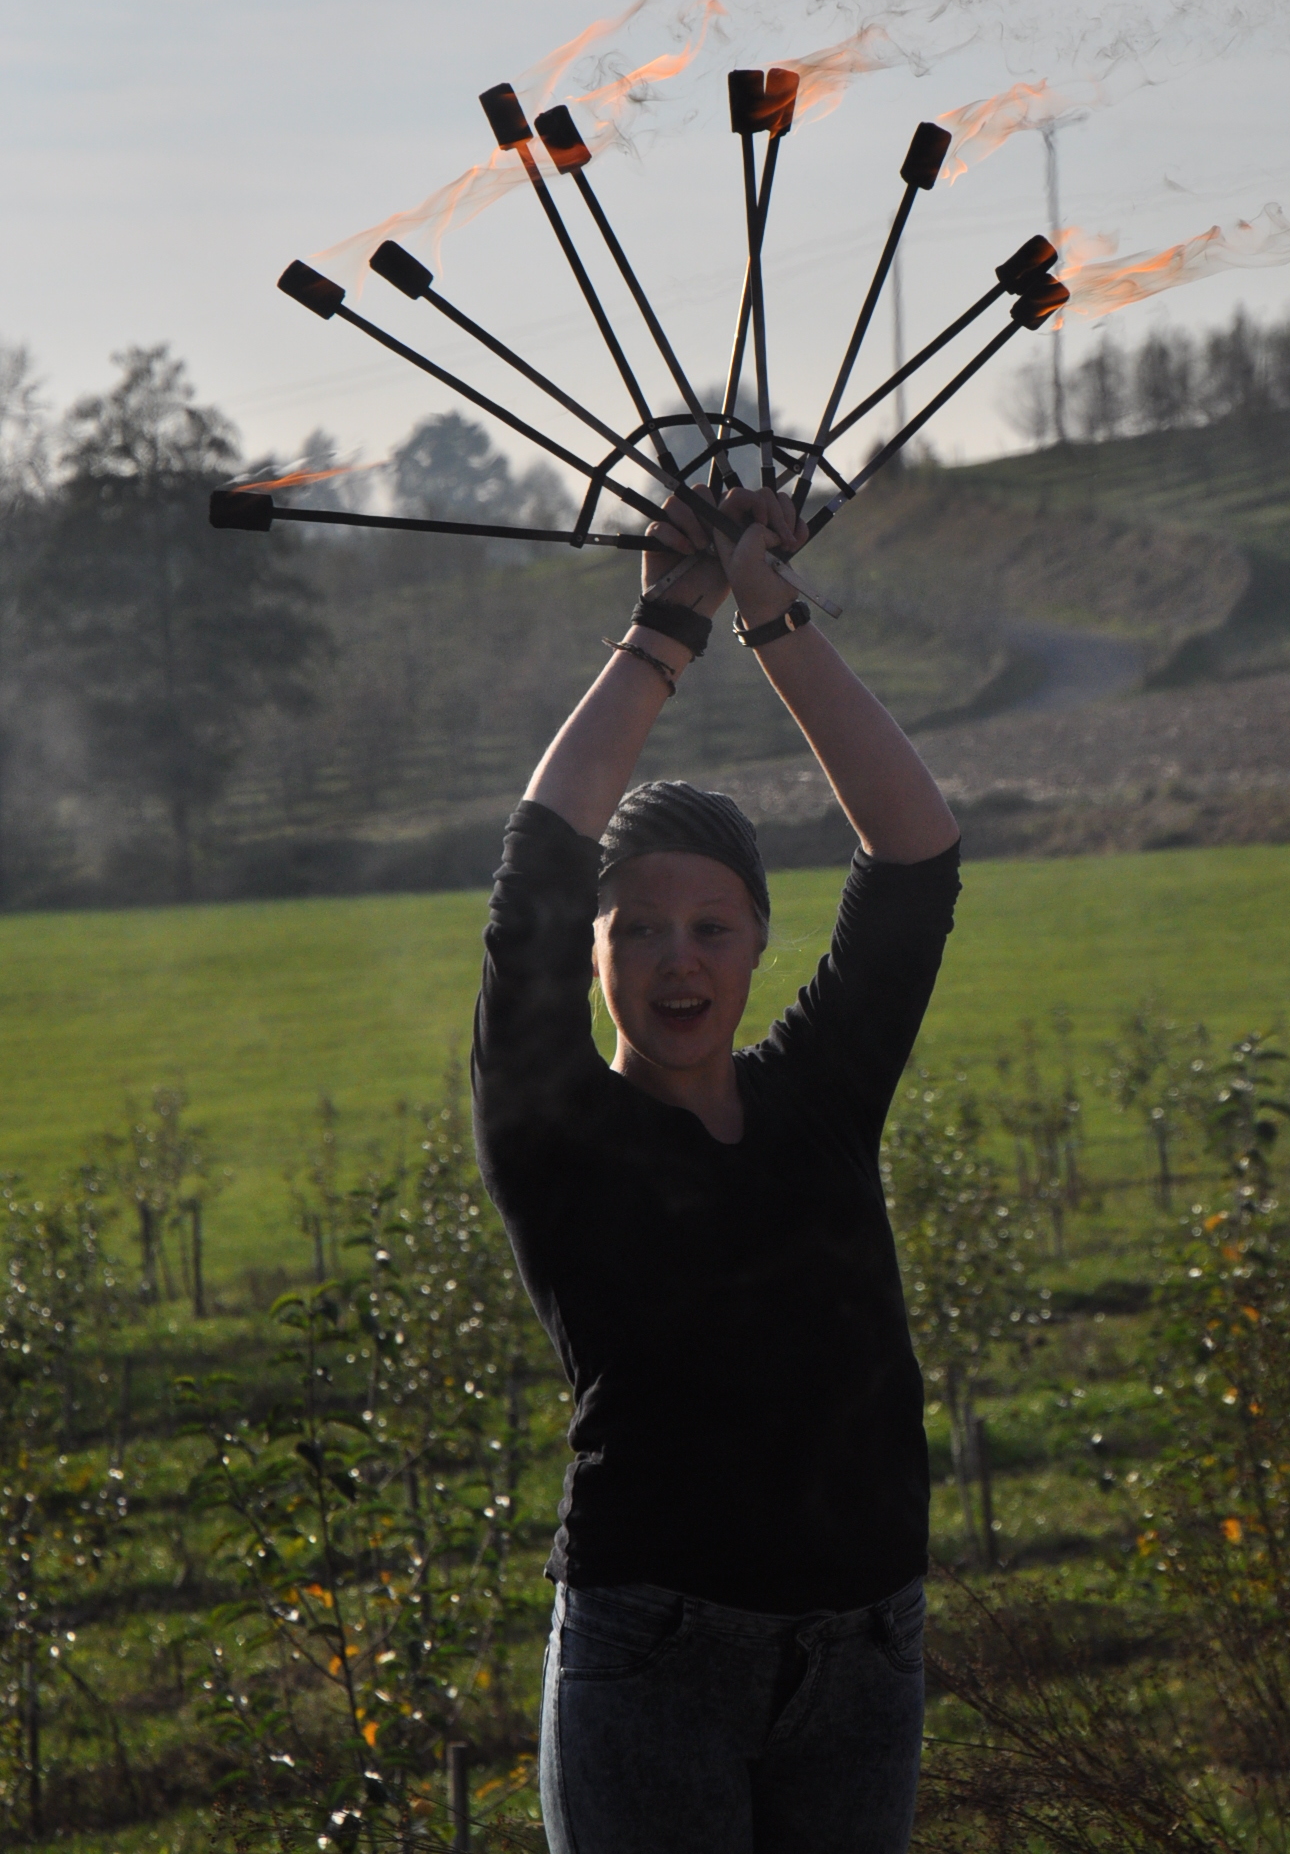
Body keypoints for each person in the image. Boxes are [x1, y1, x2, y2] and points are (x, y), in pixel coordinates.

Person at [471, 482, 962, 1854]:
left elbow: (915, 858)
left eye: (712, 927)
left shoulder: (820, 1099)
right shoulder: (554, 1128)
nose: (677, 960)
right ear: (593, 957)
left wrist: (772, 612)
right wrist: (662, 629)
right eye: (636, 930)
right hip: (654, 1661)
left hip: (868, 1653)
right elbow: (538, 866)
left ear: (757, 945)